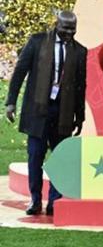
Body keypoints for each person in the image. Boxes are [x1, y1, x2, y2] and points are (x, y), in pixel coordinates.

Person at [5, 12, 87, 216]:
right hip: (38, 111)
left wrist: (80, 115)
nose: (69, 33)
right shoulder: (37, 41)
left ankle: (54, 201)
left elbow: (80, 86)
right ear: (56, 24)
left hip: (63, 112)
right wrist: (11, 102)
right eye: (65, 28)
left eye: (72, 29)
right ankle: (35, 200)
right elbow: (20, 72)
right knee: (35, 156)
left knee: (59, 158)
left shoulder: (79, 51)